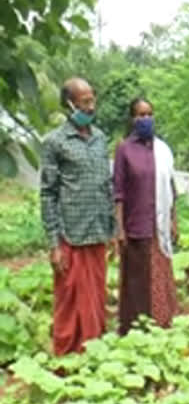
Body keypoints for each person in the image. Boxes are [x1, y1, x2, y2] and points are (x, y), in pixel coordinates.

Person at [39, 78, 114, 356]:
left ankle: (93, 354)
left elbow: (106, 186)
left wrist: (112, 229)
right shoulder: (55, 142)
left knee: (96, 300)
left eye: (92, 100)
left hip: (96, 233)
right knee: (69, 303)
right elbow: (48, 193)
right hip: (70, 235)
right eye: (84, 101)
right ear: (70, 104)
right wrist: (54, 243)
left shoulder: (100, 139)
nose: (91, 106)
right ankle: (67, 359)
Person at [113, 98, 179, 335]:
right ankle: (136, 331)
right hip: (135, 227)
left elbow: (171, 189)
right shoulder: (124, 150)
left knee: (160, 279)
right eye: (140, 115)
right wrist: (119, 229)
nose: (146, 119)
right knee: (137, 284)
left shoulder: (162, 150)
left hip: (158, 227)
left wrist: (173, 221)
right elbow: (118, 192)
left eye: (149, 114)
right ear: (132, 119)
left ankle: (162, 326)